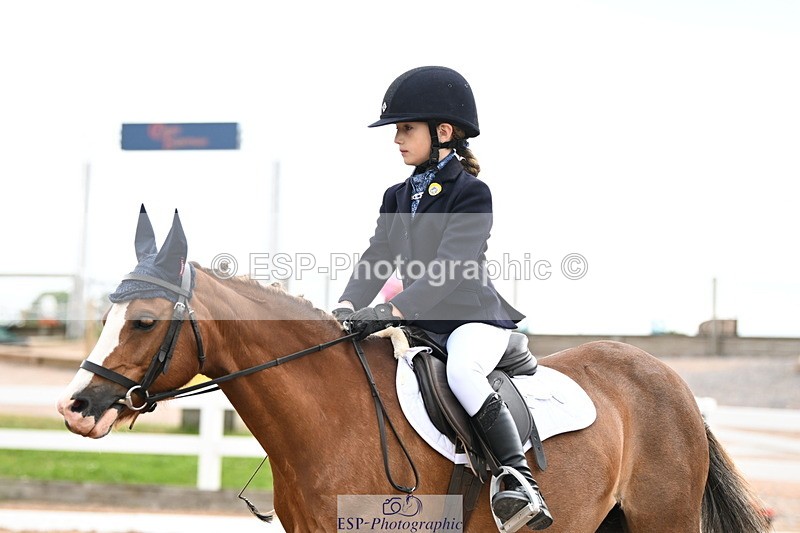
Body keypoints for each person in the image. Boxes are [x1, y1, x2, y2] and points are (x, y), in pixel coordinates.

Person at [332, 66, 552, 530]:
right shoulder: (396, 196)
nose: (397, 139)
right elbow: (378, 255)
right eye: (397, 130)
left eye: (406, 128)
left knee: (463, 371)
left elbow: (449, 268)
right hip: (421, 323)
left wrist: (392, 310)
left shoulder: (472, 193)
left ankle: (517, 479)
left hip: (473, 321)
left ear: (443, 132)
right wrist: (349, 306)